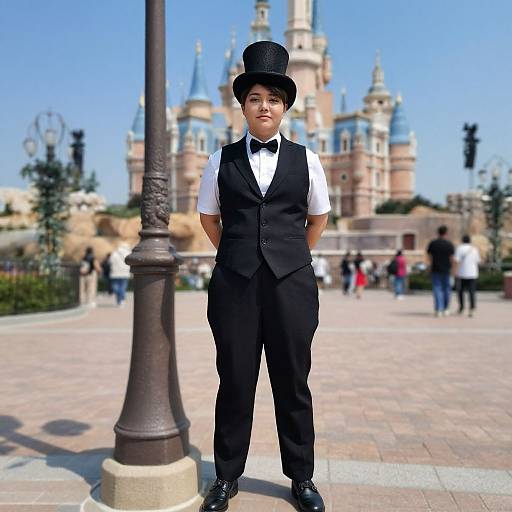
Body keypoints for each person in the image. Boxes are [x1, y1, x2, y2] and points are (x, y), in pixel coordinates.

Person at [197, 41, 329, 512]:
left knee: (292, 382)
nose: (264, 106)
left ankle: (302, 478)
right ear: (243, 107)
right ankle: (226, 477)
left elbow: (317, 219)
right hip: (234, 286)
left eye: (273, 99)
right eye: (255, 98)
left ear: (286, 106)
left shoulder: (308, 160)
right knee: (235, 381)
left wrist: (288, 256)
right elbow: (210, 220)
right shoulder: (220, 161)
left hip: (292, 286)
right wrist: (240, 254)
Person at [427, 225, 455, 317]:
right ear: (446, 233)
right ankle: (446, 308)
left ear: (438, 232)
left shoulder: (433, 243)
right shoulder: (449, 244)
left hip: (436, 269)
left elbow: (430, 257)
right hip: (446, 269)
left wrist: (430, 267)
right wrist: (453, 270)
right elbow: (452, 258)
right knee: (447, 289)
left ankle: (438, 309)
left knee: (437, 288)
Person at [455, 234, 480, 317]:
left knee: (460, 291)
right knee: (472, 292)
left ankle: (461, 307)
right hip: (472, 273)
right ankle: (472, 308)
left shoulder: (459, 248)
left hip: (462, 273)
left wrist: (455, 271)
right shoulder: (474, 249)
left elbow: (457, 260)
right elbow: (478, 261)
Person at [109, 242, 131, 307]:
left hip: (115, 273)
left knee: (115, 287)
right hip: (125, 273)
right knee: (123, 287)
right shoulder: (128, 253)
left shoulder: (114, 253)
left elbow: (110, 261)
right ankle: (122, 299)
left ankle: (119, 299)